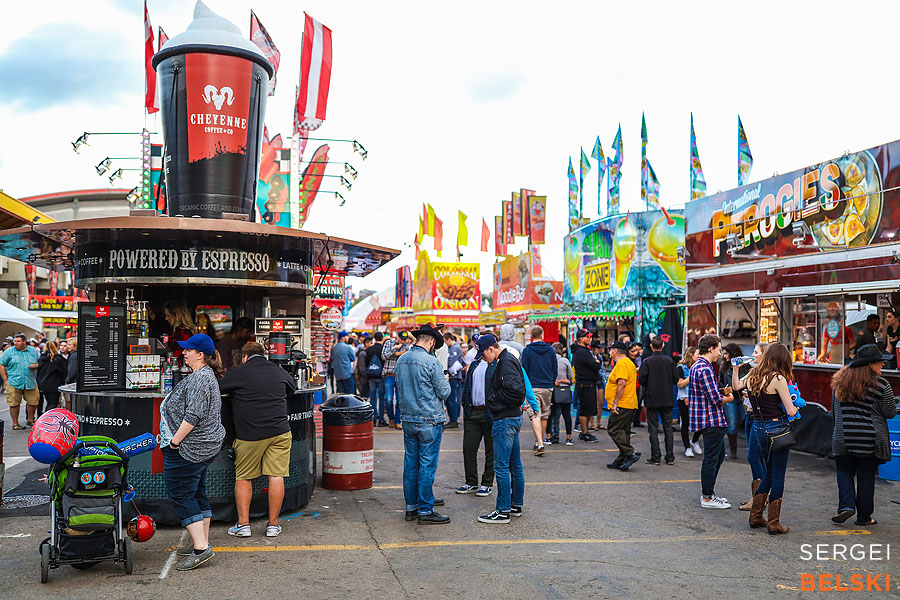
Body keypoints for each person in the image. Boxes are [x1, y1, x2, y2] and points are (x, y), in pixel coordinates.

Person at [160, 333, 225, 570]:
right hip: (202, 446)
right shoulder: (203, 376)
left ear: (200, 354)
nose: (183, 353)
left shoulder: (201, 378)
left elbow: (193, 415)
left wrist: (175, 442)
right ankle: (202, 541)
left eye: (188, 350)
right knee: (196, 491)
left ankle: (201, 548)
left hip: (191, 447)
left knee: (181, 493)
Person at [219, 342, 297, 538]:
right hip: (279, 432)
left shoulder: (238, 372)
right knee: (276, 476)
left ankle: (243, 525)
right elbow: (292, 388)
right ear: (264, 355)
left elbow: (218, 388)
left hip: (250, 435)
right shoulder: (278, 371)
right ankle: (273, 525)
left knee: (244, 477)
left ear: (244, 357)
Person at [830, 343, 897, 527]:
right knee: (866, 477)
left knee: (844, 472)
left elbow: (834, 411)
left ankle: (845, 506)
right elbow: (890, 412)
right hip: (870, 438)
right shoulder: (882, 385)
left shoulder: (839, 381)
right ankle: (864, 518)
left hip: (843, 437)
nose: (883, 365)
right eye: (880, 362)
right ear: (869, 364)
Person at [396, 323, 452, 524]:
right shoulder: (431, 362)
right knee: (427, 465)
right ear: (431, 342)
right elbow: (445, 392)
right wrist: (445, 378)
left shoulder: (401, 360)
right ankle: (425, 510)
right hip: (429, 420)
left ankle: (412, 507)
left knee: (411, 464)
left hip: (409, 419)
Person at [741, 342, 798, 534]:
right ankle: (773, 522)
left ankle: (756, 516)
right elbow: (790, 410)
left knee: (769, 472)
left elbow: (737, 387)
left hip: (757, 427)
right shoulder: (778, 378)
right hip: (777, 428)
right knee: (778, 474)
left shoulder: (753, 375)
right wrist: (797, 407)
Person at [478, 338, 526, 524]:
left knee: (502, 466)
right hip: (512, 417)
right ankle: (515, 505)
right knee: (515, 465)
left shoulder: (505, 362)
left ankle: (503, 510)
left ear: (491, 349)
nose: (483, 358)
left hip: (505, 419)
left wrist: (494, 398)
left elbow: (515, 391)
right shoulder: (509, 359)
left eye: (484, 353)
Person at [689, 334, 734, 509]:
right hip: (711, 420)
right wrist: (729, 397)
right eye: (718, 349)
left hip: (706, 419)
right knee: (712, 458)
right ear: (711, 349)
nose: (720, 353)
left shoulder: (697, 366)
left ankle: (709, 493)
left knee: (717, 456)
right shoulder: (705, 368)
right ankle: (707, 497)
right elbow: (715, 398)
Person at [457, 334, 497, 497]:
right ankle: (471, 482)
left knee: (491, 450)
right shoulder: (474, 365)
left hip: (489, 413)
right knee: (469, 448)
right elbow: (467, 388)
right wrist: (466, 407)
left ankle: (487, 483)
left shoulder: (496, 366)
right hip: (473, 411)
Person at [731, 343, 769, 511]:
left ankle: (760, 498)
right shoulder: (753, 372)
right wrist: (735, 369)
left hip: (760, 418)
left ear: (764, 355)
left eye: (756, 352)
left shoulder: (769, 374)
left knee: (753, 457)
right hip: (750, 416)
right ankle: (760, 496)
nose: (753, 355)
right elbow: (736, 386)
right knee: (758, 457)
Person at [638, 336, 680, 465]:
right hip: (667, 397)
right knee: (668, 427)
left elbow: (642, 379)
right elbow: (675, 378)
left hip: (652, 397)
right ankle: (670, 456)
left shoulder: (647, 361)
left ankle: (656, 456)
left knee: (653, 428)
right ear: (662, 346)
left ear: (651, 346)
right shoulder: (669, 361)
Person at [605, 341, 640, 471]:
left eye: (610, 350)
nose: (609, 352)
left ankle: (630, 454)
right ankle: (622, 459)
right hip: (629, 402)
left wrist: (615, 403)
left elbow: (621, 384)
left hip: (623, 403)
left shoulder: (622, 364)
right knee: (623, 432)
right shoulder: (628, 363)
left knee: (613, 429)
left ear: (616, 351)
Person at [521, 326, 557, 447]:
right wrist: (551, 382)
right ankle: (539, 441)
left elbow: (523, 370)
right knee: (545, 415)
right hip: (547, 387)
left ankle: (539, 442)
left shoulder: (527, 351)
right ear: (542, 335)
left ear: (531, 335)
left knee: (536, 414)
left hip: (532, 387)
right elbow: (554, 369)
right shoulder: (551, 350)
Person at [0, 333, 41, 430]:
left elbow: (40, 362)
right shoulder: (9, 352)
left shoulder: (33, 351)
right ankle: (15, 423)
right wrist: (5, 380)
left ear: (24, 342)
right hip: (14, 382)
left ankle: (30, 420)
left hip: (30, 381)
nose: (15, 343)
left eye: (18, 341)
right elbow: (2, 365)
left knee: (33, 401)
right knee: (14, 403)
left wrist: (36, 365)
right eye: (15, 341)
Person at [571, 330, 602, 442]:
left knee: (589, 408)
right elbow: (595, 365)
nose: (590, 339)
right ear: (581, 338)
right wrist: (596, 362)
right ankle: (584, 433)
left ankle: (585, 431)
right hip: (585, 383)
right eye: (587, 337)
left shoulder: (583, 351)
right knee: (585, 408)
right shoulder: (581, 352)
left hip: (588, 382)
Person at [719, 343, 748, 460]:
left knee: (746, 420)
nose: (724, 356)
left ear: (733, 353)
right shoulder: (724, 367)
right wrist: (725, 389)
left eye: (726, 353)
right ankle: (733, 450)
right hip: (730, 398)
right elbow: (719, 381)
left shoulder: (745, 366)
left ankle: (751, 447)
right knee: (731, 424)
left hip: (743, 397)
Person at [382, 331, 411, 430]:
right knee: (389, 400)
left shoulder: (406, 347)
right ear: (397, 337)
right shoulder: (389, 343)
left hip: (401, 376)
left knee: (399, 401)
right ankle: (391, 418)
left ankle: (398, 421)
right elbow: (383, 356)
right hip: (389, 375)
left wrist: (401, 353)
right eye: (401, 339)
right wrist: (394, 350)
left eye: (404, 340)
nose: (402, 341)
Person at [677, 347, 700, 457]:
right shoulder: (681, 368)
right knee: (685, 423)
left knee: (701, 422)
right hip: (685, 398)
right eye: (698, 354)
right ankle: (687, 447)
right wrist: (691, 376)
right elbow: (680, 384)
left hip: (698, 398)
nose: (699, 356)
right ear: (691, 355)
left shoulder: (701, 367)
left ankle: (694, 440)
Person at [551, 342, 574, 446]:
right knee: (567, 415)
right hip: (564, 391)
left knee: (554, 415)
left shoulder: (549, 361)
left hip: (554, 390)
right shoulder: (565, 361)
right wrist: (565, 381)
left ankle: (554, 435)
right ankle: (569, 437)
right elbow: (571, 377)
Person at [36, 340, 67, 415]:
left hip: (43, 383)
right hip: (54, 384)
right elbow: (63, 372)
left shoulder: (42, 358)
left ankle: (42, 418)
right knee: (52, 404)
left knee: (45, 403)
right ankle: (47, 419)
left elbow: (39, 371)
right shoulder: (58, 359)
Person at [366, 332, 388, 427]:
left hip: (371, 376)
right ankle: (381, 419)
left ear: (374, 338)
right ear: (382, 338)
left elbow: (366, 363)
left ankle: (374, 418)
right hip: (381, 376)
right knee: (382, 398)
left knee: (373, 398)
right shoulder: (383, 349)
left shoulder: (369, 350)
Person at [444, 332, 464, 429]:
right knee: (449, 399)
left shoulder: (455, 348)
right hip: (451, 376)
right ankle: (452, 419)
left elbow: (450, 361)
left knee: (452, 399)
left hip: (453, 377)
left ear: (448, 339)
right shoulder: (451, 348)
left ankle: (454, 420)